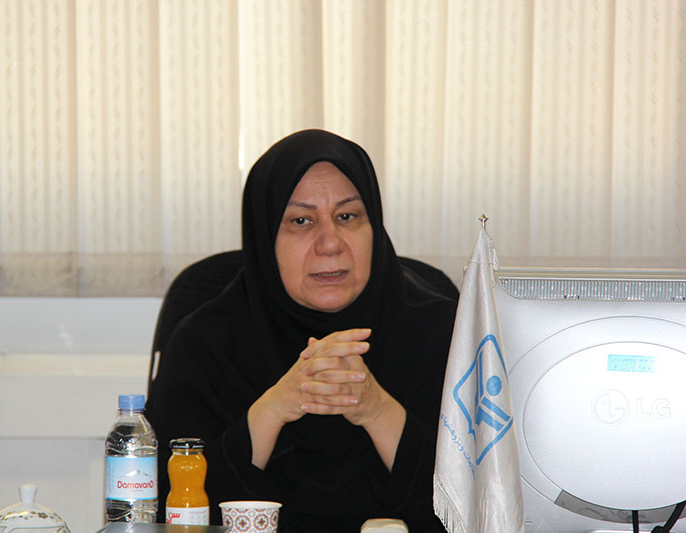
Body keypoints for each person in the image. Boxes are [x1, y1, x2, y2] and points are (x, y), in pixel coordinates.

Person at [145, 129, 457, 532]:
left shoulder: (444, 337)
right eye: (301, 221)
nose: (330, 243)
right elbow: (172, 512)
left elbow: (478, 507)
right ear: (265, 239)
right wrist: (274, 408)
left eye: (347, 216)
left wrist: (377, 410)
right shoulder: (204, 347)